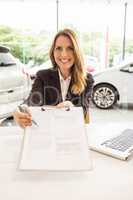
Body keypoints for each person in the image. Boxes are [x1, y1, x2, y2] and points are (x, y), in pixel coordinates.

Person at [13, 28, 94, 128]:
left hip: (72, 132)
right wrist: (20, 109)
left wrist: (70, 107)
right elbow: (32, 102)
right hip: (47, 132)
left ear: (77, 52)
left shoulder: (87, 79)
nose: (64, 54)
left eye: (70, 48)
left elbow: (83, 111)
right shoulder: (43, 76)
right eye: (59, 48)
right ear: (53, 52)